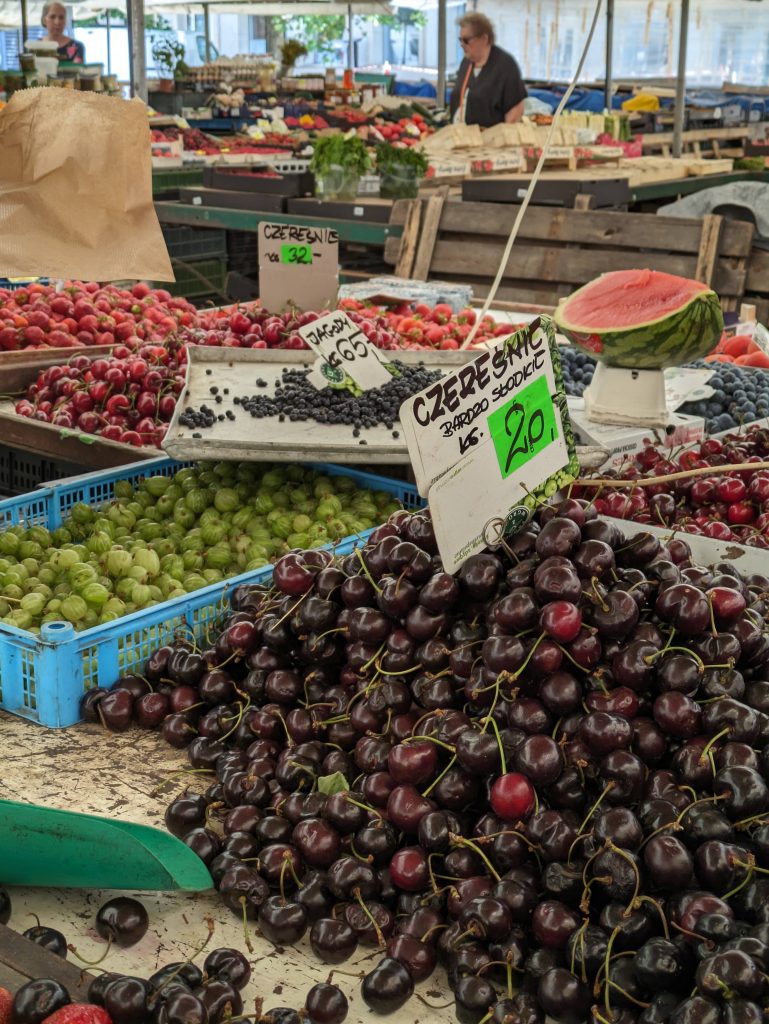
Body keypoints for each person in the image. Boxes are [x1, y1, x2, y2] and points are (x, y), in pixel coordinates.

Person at [449, 13, 526, 128]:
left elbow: (514, 112)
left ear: (484, 38)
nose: (462, 45)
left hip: (489, 140)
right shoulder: (466, 63)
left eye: (466, 40)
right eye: (460, 40)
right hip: (461, 136)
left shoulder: (505, 66)